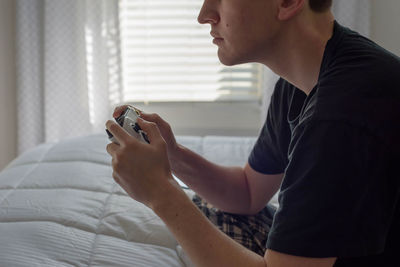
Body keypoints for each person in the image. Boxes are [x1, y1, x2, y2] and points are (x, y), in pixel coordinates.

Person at [105, 0, 400, 266]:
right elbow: (248, 193)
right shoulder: (306, 77)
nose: (203, 15)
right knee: (212, 212)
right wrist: (174, 157)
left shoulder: (340, 117)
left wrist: (160, 193)